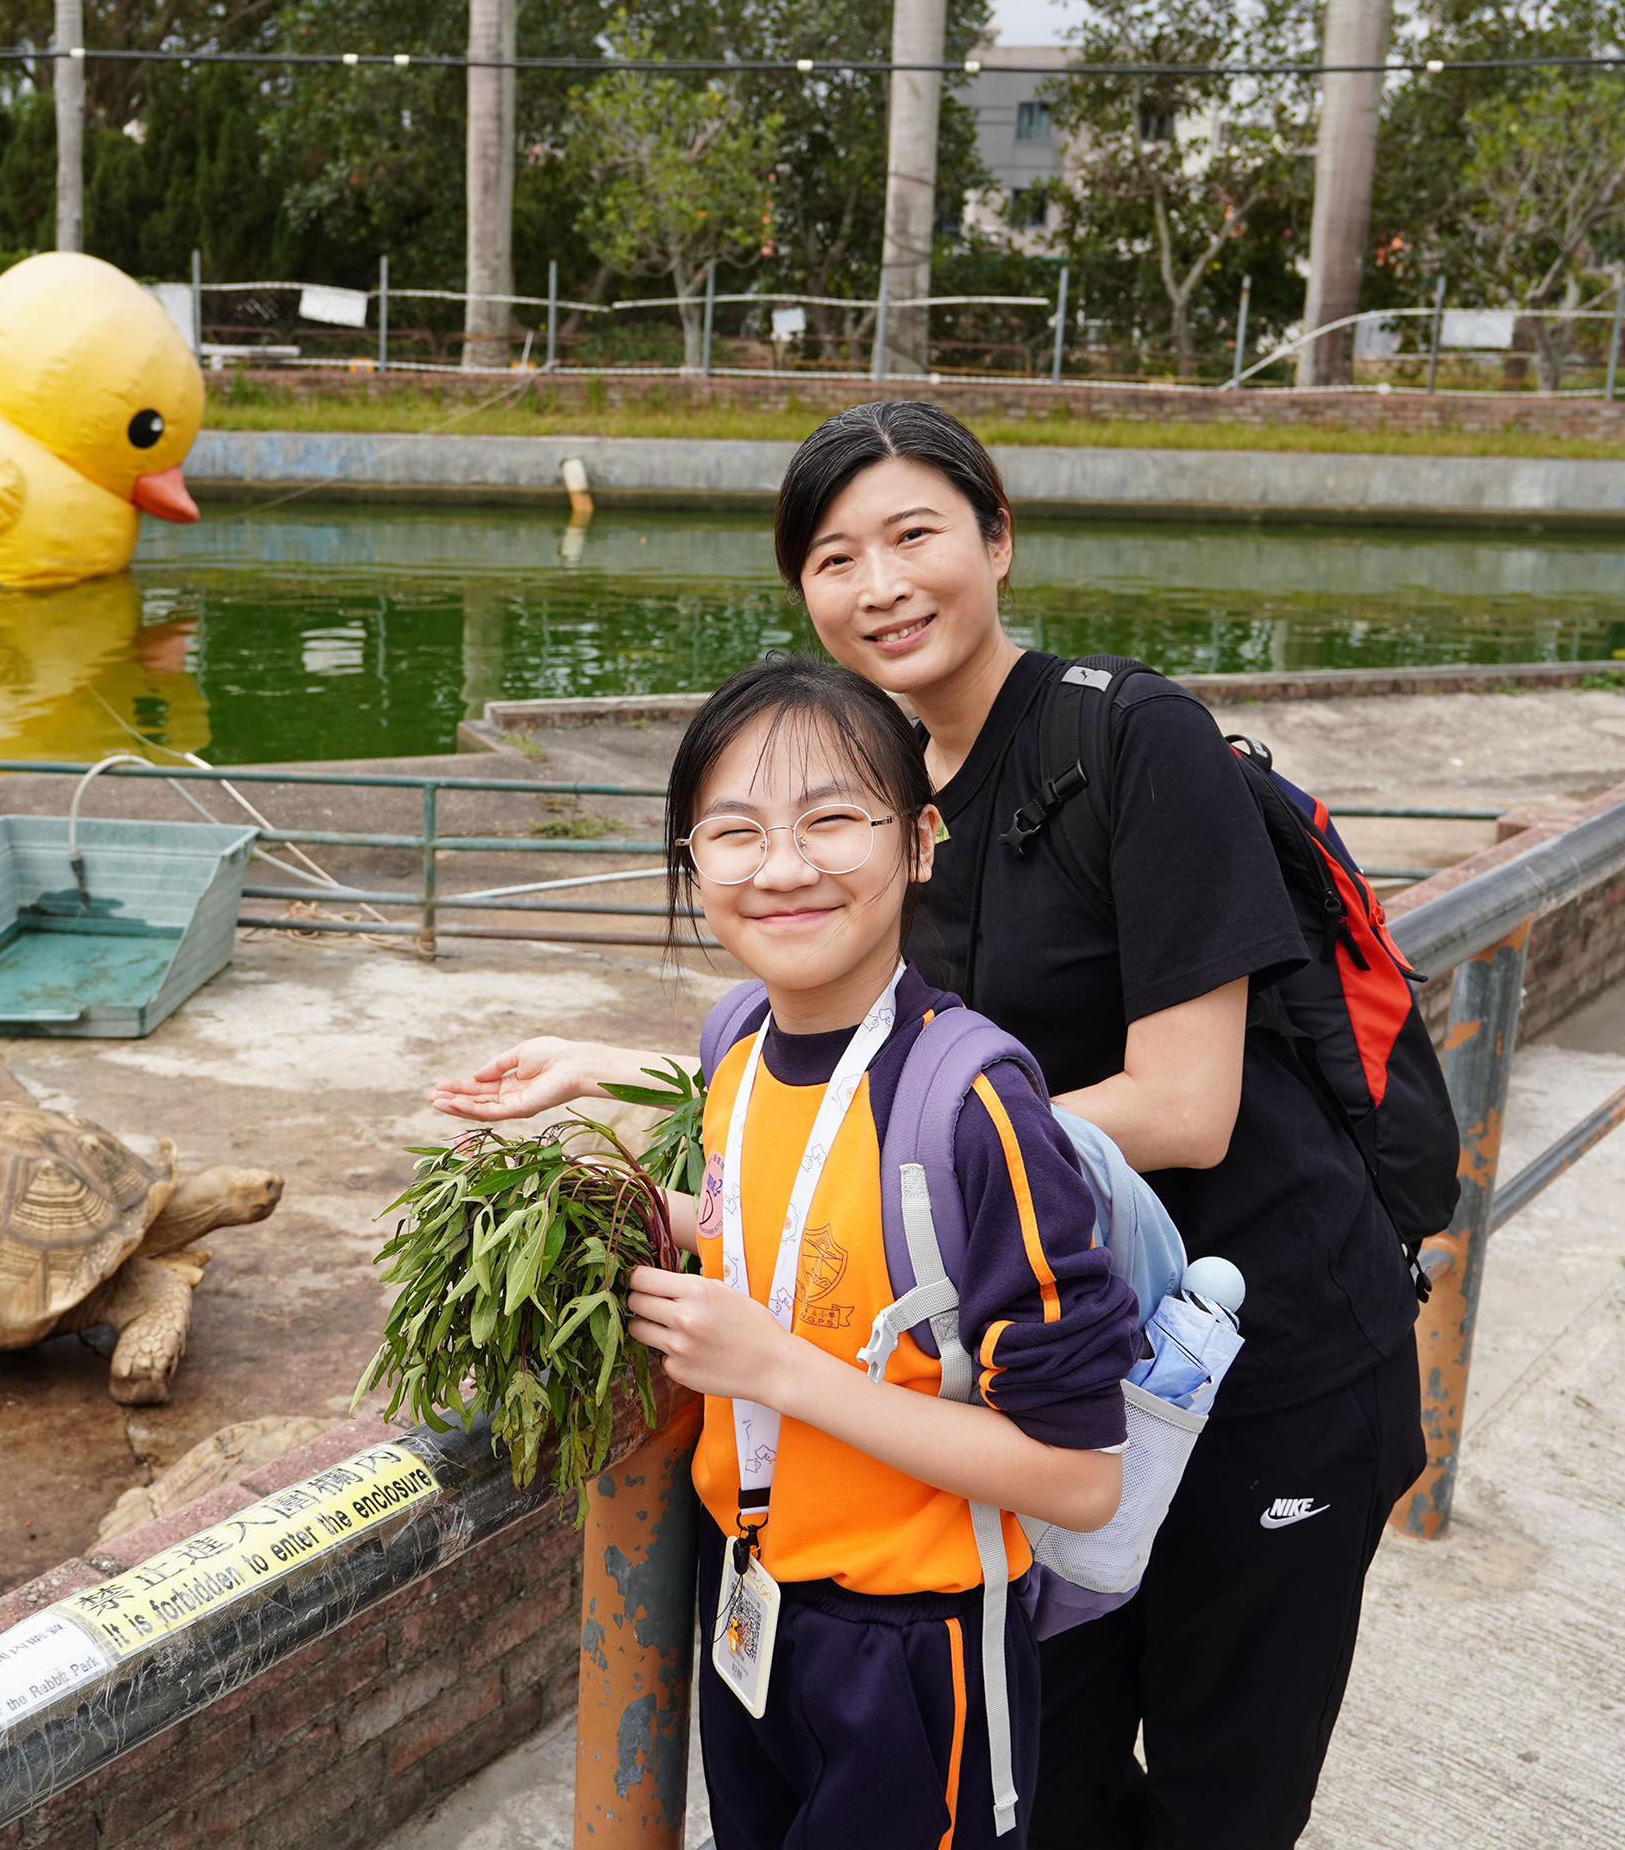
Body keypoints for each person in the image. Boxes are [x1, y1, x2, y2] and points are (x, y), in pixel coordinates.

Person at [432, 401, 1427, 1849]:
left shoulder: (1131, 739)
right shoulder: (884, 784)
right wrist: (616, 1066)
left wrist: (930, 1164)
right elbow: (873, 1069)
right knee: (1052, 1780)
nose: (881, 586)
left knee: (1223, 1793)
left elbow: (1183, 1108)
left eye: (915, 535)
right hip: (1039, 1345)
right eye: (835, 558)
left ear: (998, 538)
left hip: (1262, 1350)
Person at [599, 656, 1142, 1848]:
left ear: (921, 841)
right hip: (750, 1596)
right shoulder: (735, 1043)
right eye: (735, 830)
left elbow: (1080, 1474)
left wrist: (777, 1368)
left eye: (832, 818)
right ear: (693, 860)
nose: (783, 865)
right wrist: (637, 1210)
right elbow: (794, 1239)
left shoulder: (978, 1104)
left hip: (917, 1638)